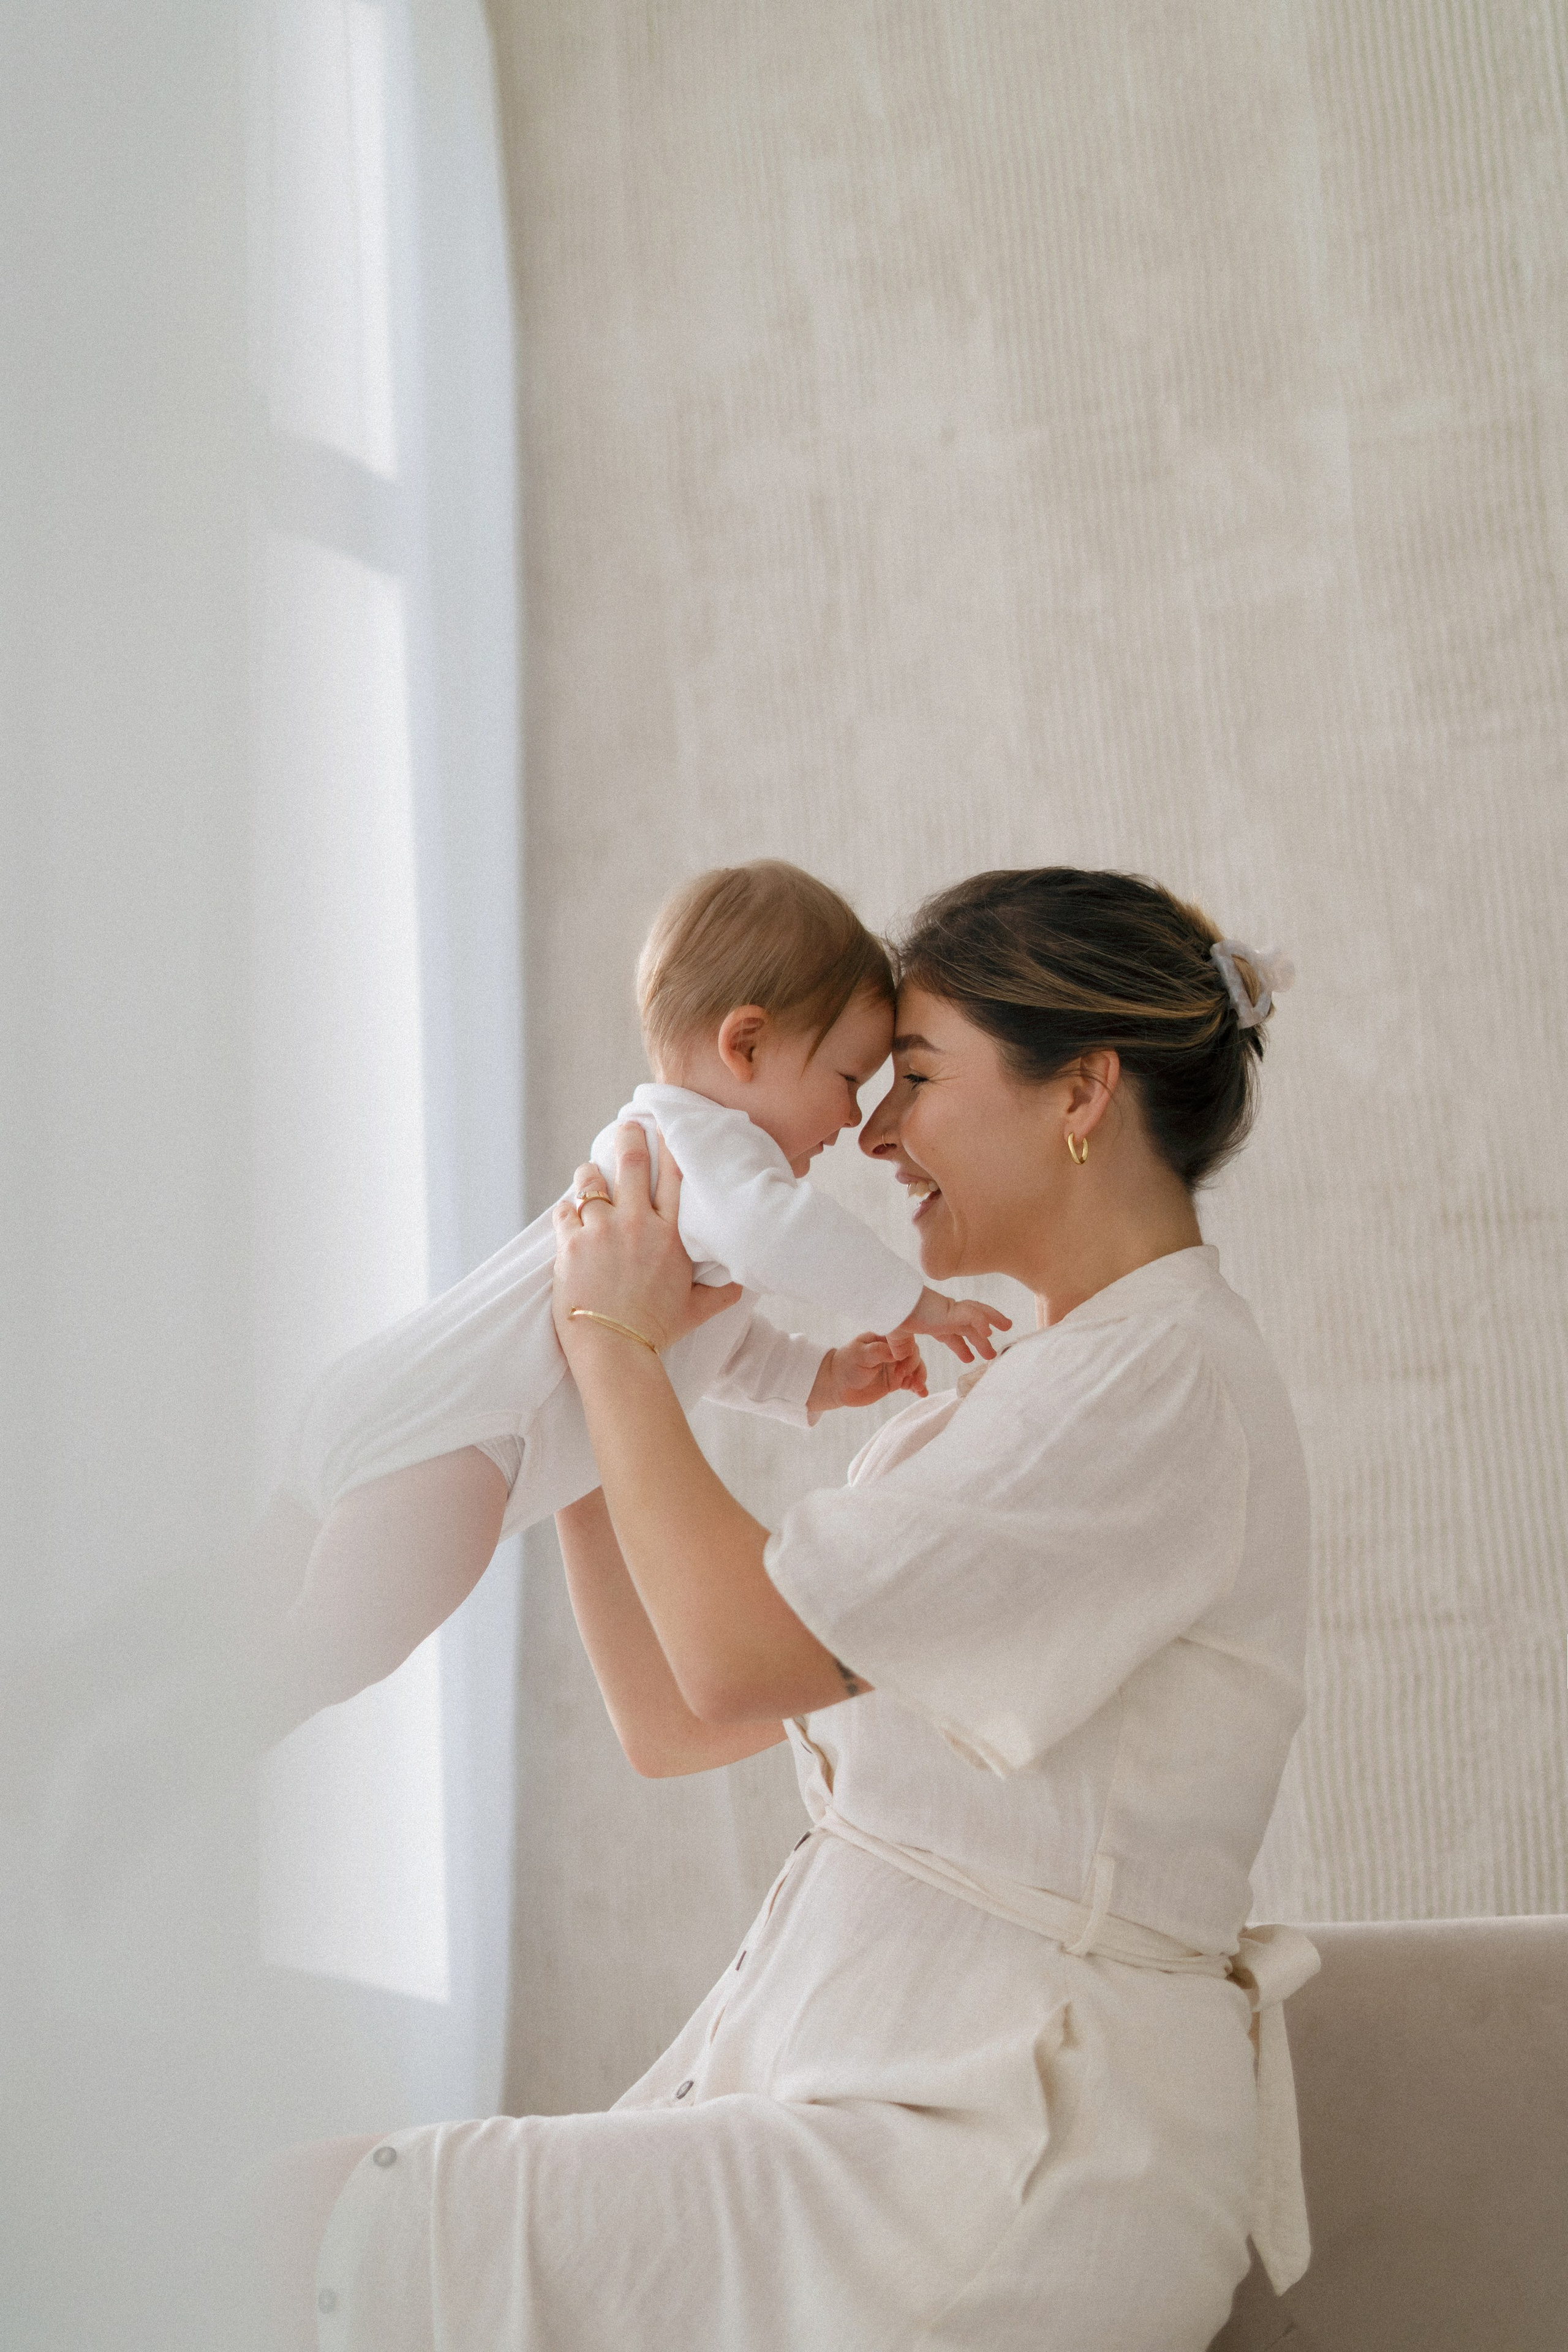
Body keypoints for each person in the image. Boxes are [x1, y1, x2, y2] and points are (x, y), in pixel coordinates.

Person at [266, 865, 1316, 2352]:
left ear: (1080, 1094)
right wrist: (573, 1390)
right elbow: (672, 1719)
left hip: (1003, 2146)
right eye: (867, 1083)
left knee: (295, 2230)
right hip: (873, 2078)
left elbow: (730, 1654)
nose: (872, 1136)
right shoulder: (1044, 1387)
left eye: (918, 1080)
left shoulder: (1153, 1390)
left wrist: (620, 1350)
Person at [260, 861, 1006, 1730]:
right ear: (747, 1045)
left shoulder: (678, 1180)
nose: (852, 1124)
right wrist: (917, 1305)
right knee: (319, 1662)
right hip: (457, 1445)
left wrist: (818, 1378)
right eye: (846, 1081)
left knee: (245, 1606)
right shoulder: (708, 1152)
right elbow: (781, 1235)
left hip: (411, 1406)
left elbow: (698, 1347)